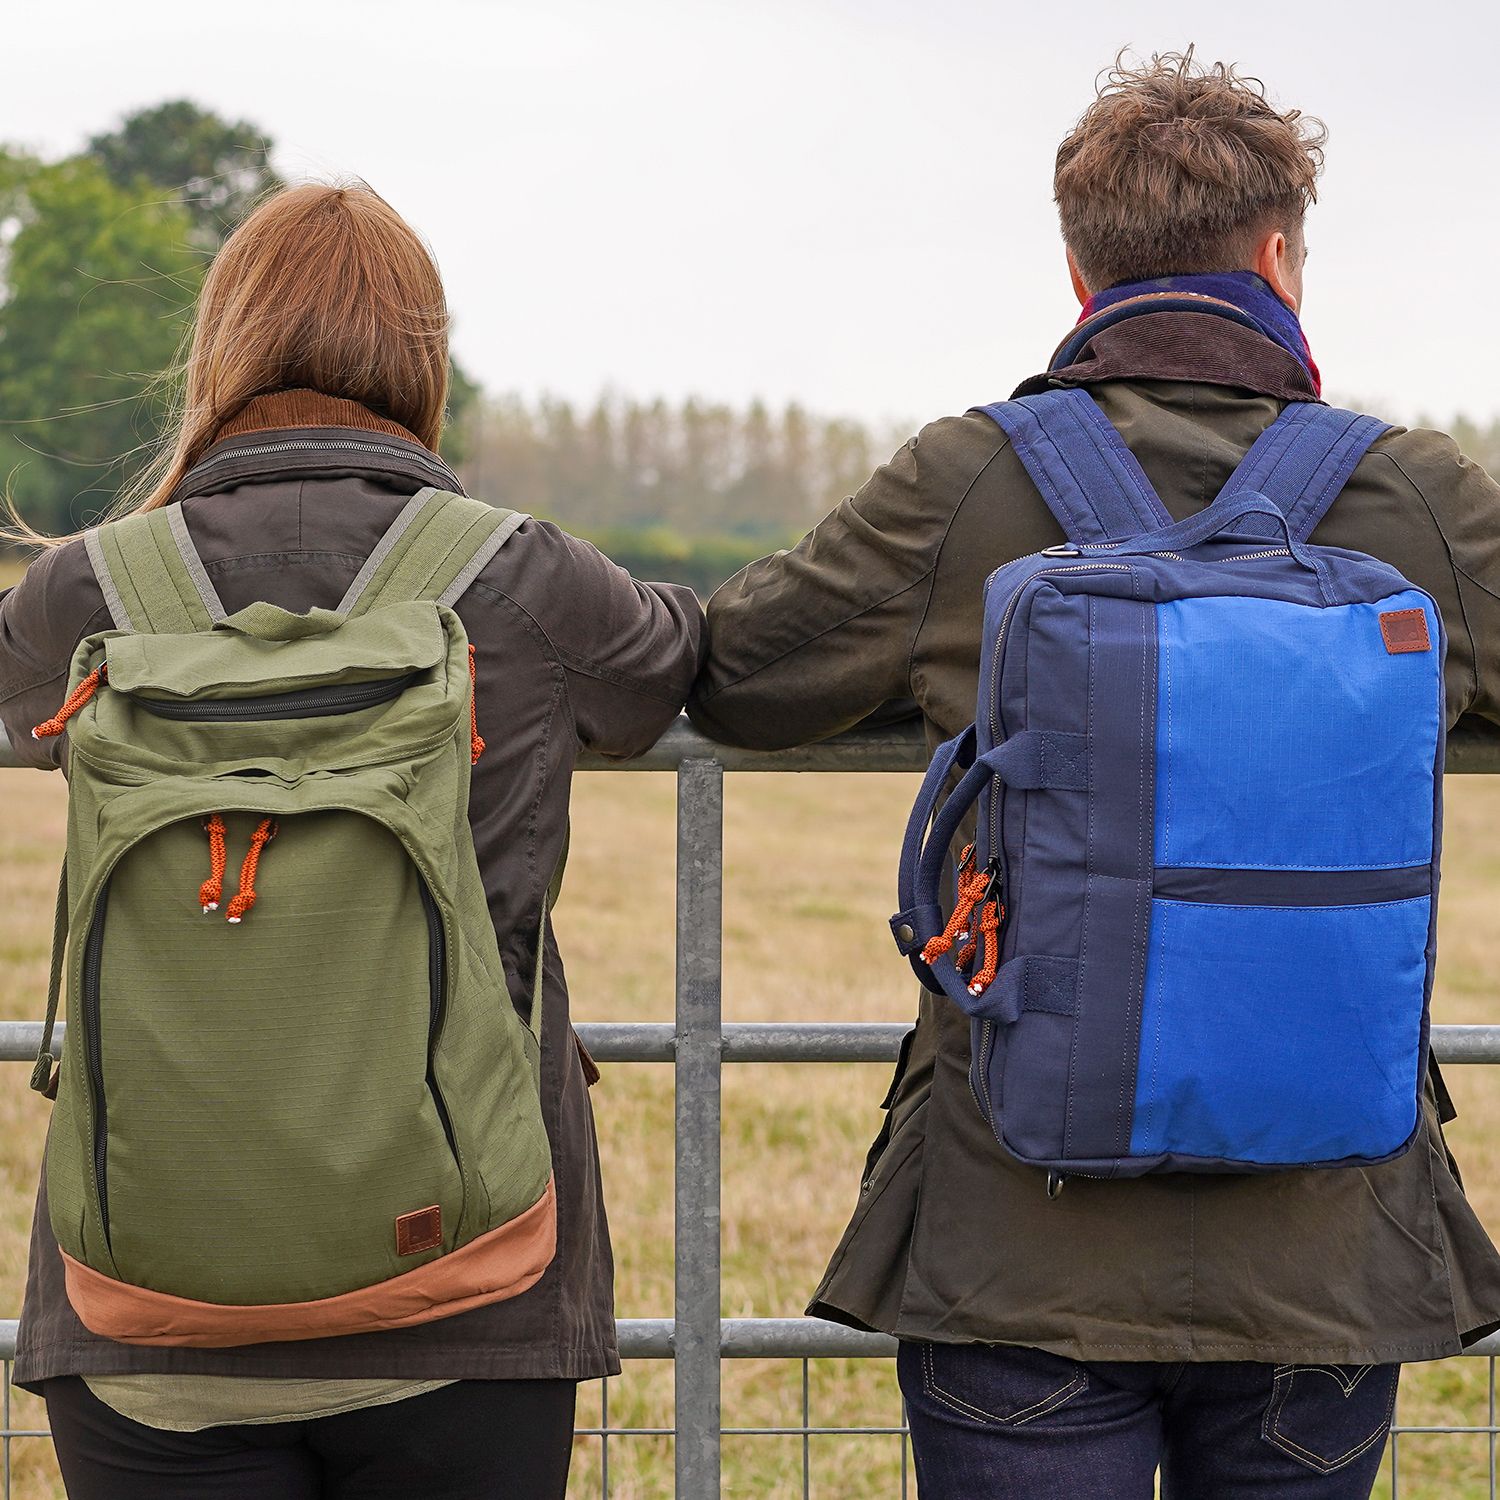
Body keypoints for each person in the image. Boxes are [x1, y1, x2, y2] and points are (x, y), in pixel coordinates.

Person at [689, 51, 1500, 1500]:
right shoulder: (1418, 499)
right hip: (1321, 1257)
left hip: (1019, 1241)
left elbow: (739, 671)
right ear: (1278, 261)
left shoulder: (965, 482)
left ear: (1079, 273)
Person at [0, 182, 704, 1499]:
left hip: (145, 1298)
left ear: (221, 354)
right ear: (419, 362)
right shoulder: (527, 579)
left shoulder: (89, 593)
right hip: (466, 1297)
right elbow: (679, 660)